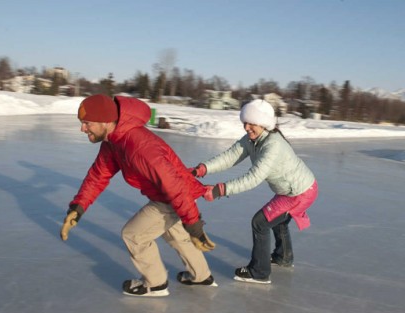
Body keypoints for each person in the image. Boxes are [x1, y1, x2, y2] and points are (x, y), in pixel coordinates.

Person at [60, 94, 217, 297]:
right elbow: (98, 175)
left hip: (174, 196)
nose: (83, 128)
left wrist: (194, 225)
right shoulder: (112, 141)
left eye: (86, 123)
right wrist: (78, 207)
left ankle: (156, 283)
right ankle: (201, 276)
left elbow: (175, 187)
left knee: (134, 235)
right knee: (175, 234)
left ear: (105, 121)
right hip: (170, 194)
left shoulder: (139, 147)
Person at [191, 99, 318, 284]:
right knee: (278, 220)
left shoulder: (272, 145)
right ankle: (284, 257)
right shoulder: (253, 139)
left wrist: (219, 190)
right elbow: (230, 156)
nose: (247, 127)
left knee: (260, 222)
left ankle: (259, 272)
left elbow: (253, 178)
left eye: (252, 123)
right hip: (292, 190)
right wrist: (203, 169)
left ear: (264, 123)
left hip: (300, 192)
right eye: (245, 122)